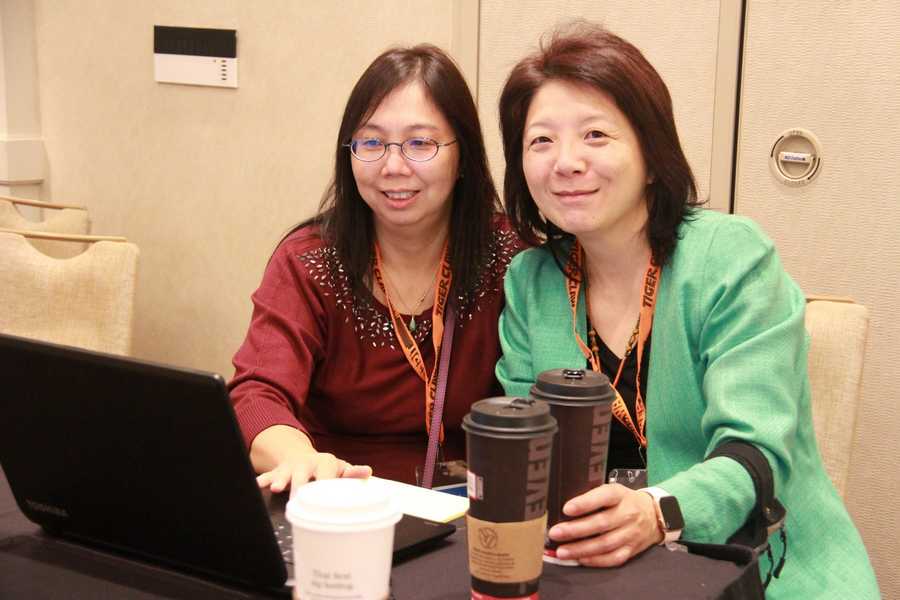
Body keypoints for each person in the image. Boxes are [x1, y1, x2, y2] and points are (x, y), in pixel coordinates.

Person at [495, 23, 879, 598]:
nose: (566, 162)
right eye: (541, 141)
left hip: (753, 567)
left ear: (652, 157)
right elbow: (528, 444)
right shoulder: (532, 281)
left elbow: (755, 451)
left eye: (595, 134)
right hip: (592, 569)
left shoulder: (730, 257)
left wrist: (656, 513)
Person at [229, 44, 521, 489]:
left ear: (463, 154)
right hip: (343, 498)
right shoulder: (310, 260)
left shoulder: (510, 256)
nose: (393, 166)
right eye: (371, 142)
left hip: (471, 507)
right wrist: (299, 458)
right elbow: (256, 394)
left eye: (420, 143)